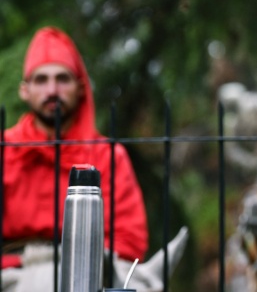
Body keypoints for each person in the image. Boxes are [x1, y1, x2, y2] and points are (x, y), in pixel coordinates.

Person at [1, 27, 148, 274]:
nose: (52, 91)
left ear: (80, 88)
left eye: (62, 79)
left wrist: (73, 266)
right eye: (41, 80)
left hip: (89, 274)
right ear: (24, 90)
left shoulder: (108, 156)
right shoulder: (4, 150)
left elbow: (130, 241)